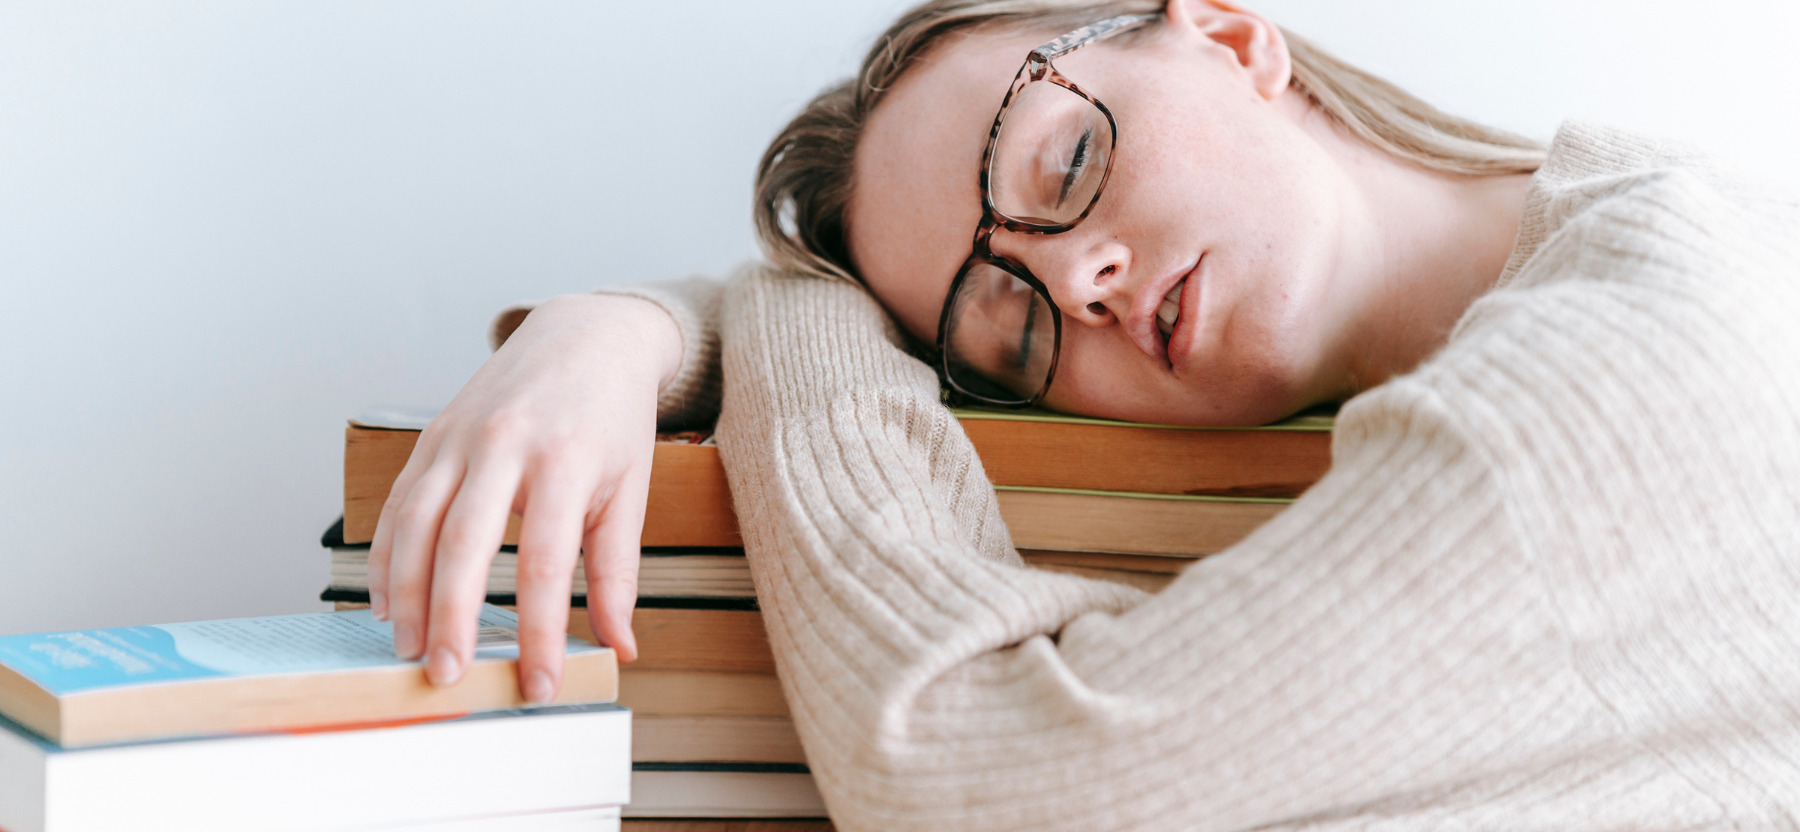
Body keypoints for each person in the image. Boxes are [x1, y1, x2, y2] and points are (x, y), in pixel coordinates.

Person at [368, 0, 1800, 827]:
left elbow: (973, 770)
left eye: (1059, 165)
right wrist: (628, 326)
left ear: (1228, 33)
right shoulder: (1620, 243)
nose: (1083, 280)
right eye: (1006, 321)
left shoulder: (1625, 352)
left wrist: (778, 301)